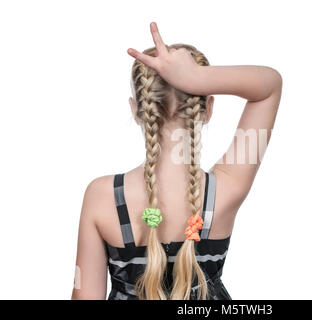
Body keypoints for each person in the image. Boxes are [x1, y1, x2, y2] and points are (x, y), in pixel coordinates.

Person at [72, 22, 282, 300]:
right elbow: (269, 85)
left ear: (137, 110)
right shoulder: (226, 190)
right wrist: (197, 79)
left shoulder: (102, 196)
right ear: (207, 109)